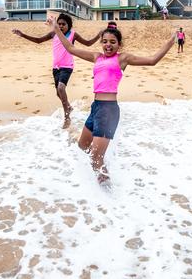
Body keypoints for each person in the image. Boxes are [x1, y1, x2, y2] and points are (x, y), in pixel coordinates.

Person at [47, 16, 175, 185]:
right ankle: (100, 172)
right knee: (83, 146)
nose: (108, 44)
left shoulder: (123, 59)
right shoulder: (96, 57)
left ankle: (108, 194)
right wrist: (56, 28)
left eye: (113, 42)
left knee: (95, 158)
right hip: (96, 107)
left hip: (108, 110)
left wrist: (170, 42)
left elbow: (152, 60)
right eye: (105, 41)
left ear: (119, 45)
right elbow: (70, 48)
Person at [12, 13, 102, 128]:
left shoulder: (73, 35)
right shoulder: (53, 33)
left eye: (63, 24)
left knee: (61, 88)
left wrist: (98, 35)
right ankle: (69, 106)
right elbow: (38, 40)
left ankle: (67, 116)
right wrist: (23, 35)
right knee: (58, 93)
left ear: (69, 25)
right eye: (59, 24)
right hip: (56, 68)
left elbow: (88, 43)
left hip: (67, 66)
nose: (61, 26)